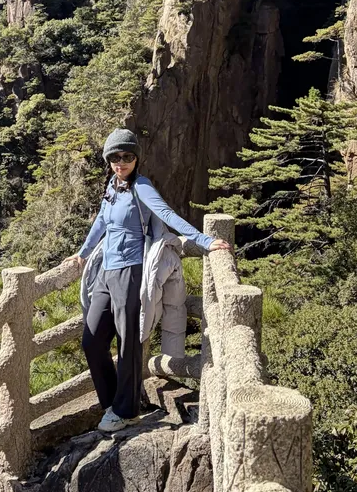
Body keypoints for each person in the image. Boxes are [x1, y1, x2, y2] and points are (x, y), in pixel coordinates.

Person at [65, 128, 232, 433]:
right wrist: (82, 253)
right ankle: (113, 404)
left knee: (129, 341)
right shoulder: (112, 187)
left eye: (127, 156)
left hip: (131, 269)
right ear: (108, 160)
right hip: (106, 272)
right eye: (115, 157)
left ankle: (126, 411)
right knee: (92, 340)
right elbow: (102, 222)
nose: (121, 162)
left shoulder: (141, 187)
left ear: (136, 157)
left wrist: (204, 241)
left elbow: (167, 214)